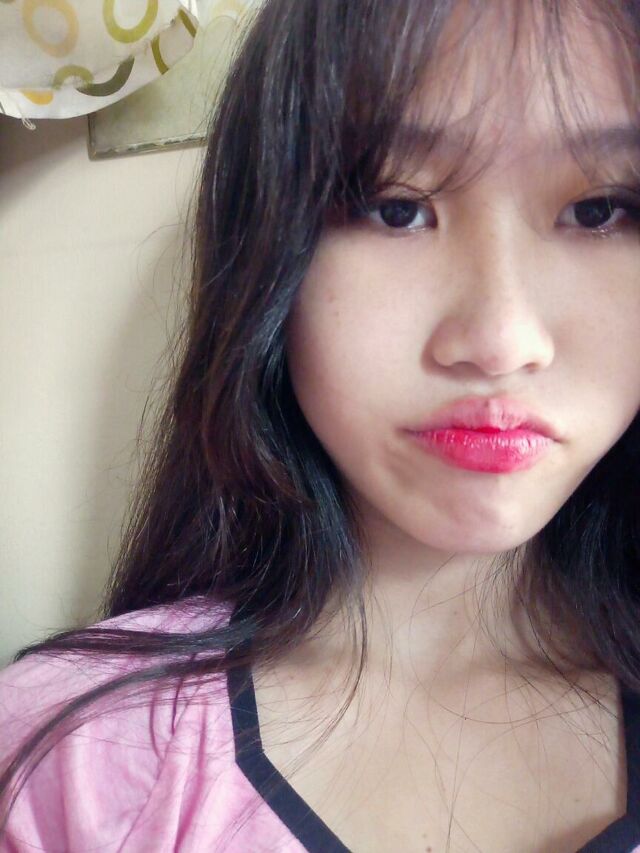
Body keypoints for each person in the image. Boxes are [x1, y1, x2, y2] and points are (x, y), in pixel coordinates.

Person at [2, 0, 640, 850]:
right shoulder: (69, 758)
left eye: (599, 210)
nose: (500, 340)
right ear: (271, 256)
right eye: (396, 209)